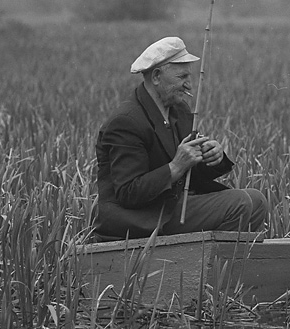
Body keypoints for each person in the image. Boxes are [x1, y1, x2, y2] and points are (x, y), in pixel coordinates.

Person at [93, 36, 267, 240]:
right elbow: (129, 193)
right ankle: (209, 266)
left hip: (171, 205)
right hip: (141, 218)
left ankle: (224, 263)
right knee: (239, 203)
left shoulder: (179, 111)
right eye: (182, 77)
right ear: (156, 76)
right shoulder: (126, 122)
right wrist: (175, 166)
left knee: (257, 201)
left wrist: (211, 157)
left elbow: (190, 172)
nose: (189, 86)